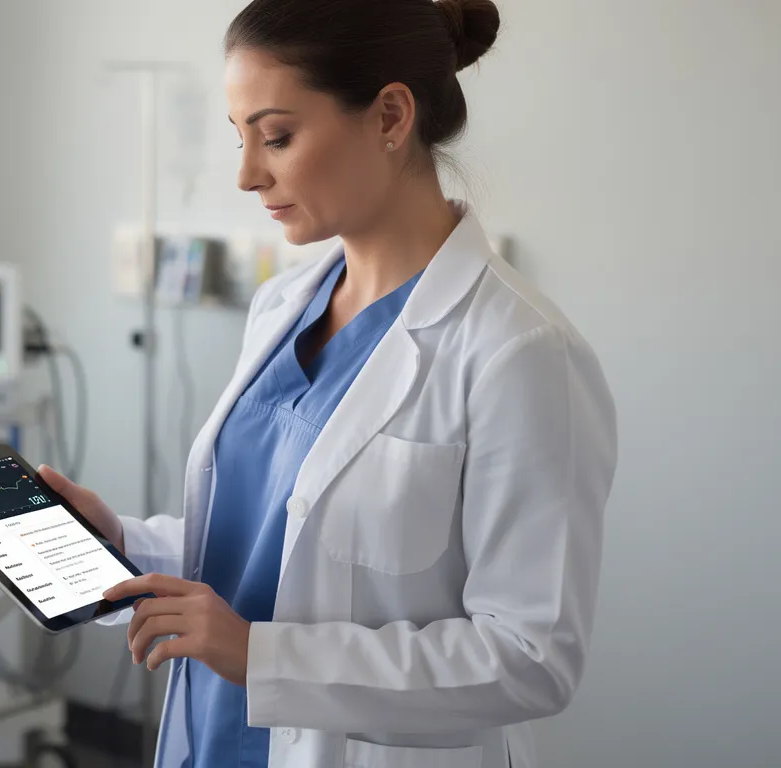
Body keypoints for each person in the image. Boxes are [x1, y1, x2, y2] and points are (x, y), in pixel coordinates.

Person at [39, 0, 618, 765]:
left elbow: (528, 660)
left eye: (276, 136)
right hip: (210, 739)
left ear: (389, 116)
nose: (246, 174)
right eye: (239, 137)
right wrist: (124, 548)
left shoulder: (520, 353)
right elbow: (276, 545)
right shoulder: (285, 303)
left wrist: (263, 657)